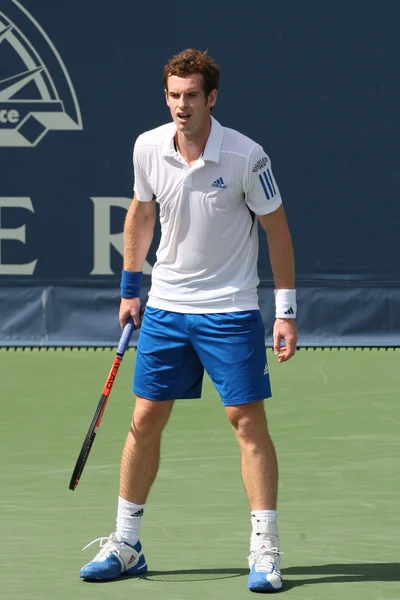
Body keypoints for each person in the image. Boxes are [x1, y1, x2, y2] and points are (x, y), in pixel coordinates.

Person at [80, 48, 298, 593]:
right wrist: (132, 290)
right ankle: (127, 545)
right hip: (167, 307)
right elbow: (141, 214)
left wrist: (286, 312)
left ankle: (265, 551)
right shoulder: (148, 147)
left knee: (247, 424)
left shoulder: (247, 157)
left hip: (230, 310)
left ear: (212, 98)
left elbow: (277, 232)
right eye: (174, 95)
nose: (181, 105)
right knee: (144, 419)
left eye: (191, 96)